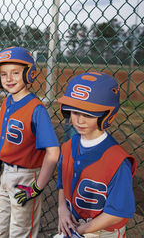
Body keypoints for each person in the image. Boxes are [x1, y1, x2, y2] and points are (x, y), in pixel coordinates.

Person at [0, 47, 60, 238]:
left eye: (16, 73)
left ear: (29, 73)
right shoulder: (7, 102)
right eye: (4, 74)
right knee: (0, 228)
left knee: (20, 232)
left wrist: (38, 186)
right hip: (6, 173)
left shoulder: (36, 109)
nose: (8, 79)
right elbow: (0, 138)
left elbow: (53, 152)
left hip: (26, 177)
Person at [55, 72, 136, 238]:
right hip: (73, 222)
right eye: (75, 112)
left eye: (88, 115)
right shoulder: (68, 147)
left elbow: (118, 213)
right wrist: (62, 209)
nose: (79, 121)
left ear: (107, 115)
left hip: (104, 231)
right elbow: (62, 184)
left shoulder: (117, 161)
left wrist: (80, 231)